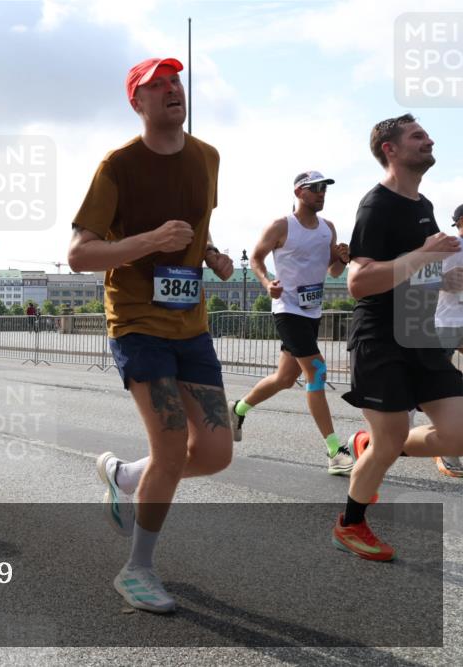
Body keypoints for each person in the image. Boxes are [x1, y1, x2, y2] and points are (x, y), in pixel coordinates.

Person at [67, 56, 235, 613]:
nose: (171, 91)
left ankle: (125, 475)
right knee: (170, 447)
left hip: (191, 322)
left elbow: (196, 228)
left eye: (175, 82)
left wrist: (211, 254)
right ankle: (137, 570)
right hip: (138, 319)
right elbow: (79, 254)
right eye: (156, 86)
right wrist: (149, 240)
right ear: (136, 102)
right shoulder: (118, 165)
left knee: (214, 451)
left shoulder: (207, 157)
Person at [336, 114, 463, 561]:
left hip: (420, 332)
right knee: (391, 437)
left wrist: (448, 280)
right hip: (382, 335)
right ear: (390, 149)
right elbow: (359, 281)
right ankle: (351, 523)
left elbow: (417, 272)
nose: (429, 140)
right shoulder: (377, 205)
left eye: (427, 134)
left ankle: (372, 446)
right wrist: (423, 253)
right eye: (417, 136)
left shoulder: (423, 205)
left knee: (459, 433)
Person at [228, 171, 354, 475]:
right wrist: (265, 282)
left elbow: (333, 272)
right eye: (316, 189)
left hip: (312, 311)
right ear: (299, 192)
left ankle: (237, 409)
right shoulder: (282, 226)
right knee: (318, 370)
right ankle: (335, 451)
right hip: (287, 308)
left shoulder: (328, 229)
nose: (322, 193)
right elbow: (256, 258)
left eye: (325, 188)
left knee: (285, 378)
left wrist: (342, 257)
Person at [431, 204, 463, 478]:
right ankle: (445, 447)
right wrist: (445, 280)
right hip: (447, 322)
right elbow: (418, 276)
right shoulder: (449, 245)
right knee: (436, 385)